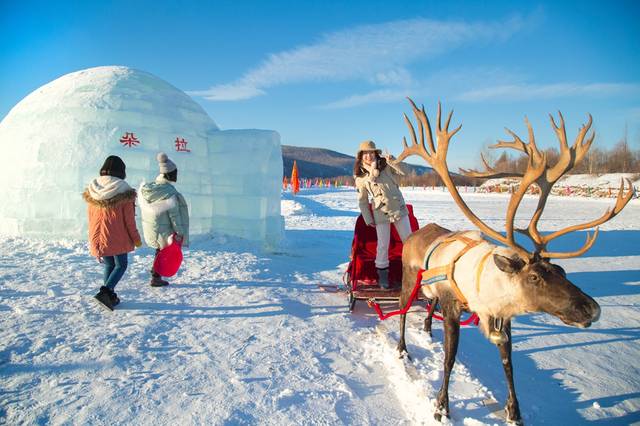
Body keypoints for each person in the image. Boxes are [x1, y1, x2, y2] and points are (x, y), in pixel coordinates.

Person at [83, 155, 142, 309]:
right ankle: (106, 291)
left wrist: (93, 238)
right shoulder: (124, 190)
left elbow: (91, 218)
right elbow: (129, 220)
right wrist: (136, 238)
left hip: (99, 235)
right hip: (118, 237)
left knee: (109, 264)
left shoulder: (93, 188)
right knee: (121, 265)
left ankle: (109, 294)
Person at [354, 140, 412, 288]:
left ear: (376, 153)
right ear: (361, 156)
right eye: (365, 153)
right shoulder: (360, 177)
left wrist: (393, 161)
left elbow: (404, 172)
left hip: (398, 207)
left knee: (409, 242)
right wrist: (368, 218)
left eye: (371, 152)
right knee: (383, 245)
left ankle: (409, 275)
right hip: (381, 211)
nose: (368, 156)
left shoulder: (386, 166)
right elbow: (362, 201)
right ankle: (383, 277)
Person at [139, 152, 189, 287]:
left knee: (159, 250)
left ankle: (155, 272)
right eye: (175, 173)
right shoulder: (169, 193)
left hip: (152, 229)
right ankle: (156, 277)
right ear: (169, 174)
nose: (176, 175)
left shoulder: (151, 189)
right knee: (163, 252)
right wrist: (179, 232)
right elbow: (175, 215)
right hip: (164, 230)